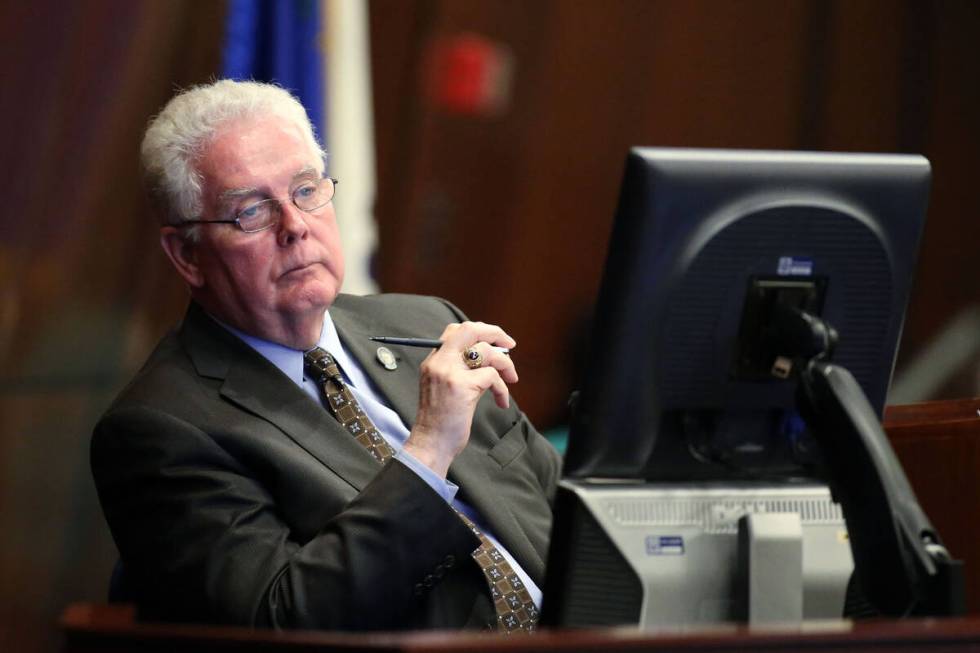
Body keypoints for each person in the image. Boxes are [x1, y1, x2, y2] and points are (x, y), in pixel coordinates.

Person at [91, 80, 561, 633]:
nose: (295, 226)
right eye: (251, 212)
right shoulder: (160, 430)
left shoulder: (429, 325)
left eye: (306, 190)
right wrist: (428, 451)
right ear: (187, 254)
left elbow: (573, 515)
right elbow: (284, 619)